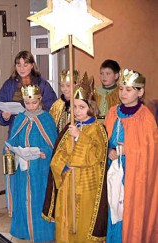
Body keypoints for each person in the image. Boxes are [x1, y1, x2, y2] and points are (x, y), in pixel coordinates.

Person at [50, 75, 108, 242]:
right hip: (68, 182)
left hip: (87, 184)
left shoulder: (98, 129)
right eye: (74, 107)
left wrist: (80, 137)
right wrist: (64, 166)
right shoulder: (71, 127)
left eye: (81, 107)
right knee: (67, 218)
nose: (77, 111)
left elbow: (96, 155)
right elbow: (59, 154)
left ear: (91, 107)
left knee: (84, 218)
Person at [104, 69, 158, 243]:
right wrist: (109, 151)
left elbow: (150, 150)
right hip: (114, 171)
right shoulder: (112, 112)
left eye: (129, 89)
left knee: (129, 209)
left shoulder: (145, 118)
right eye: (121, 89)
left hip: (134, 175)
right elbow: (105, 139)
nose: (123, 93)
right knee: (114, 209)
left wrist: (129, 150)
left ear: (140, 92)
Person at [4, 85, 57, 242]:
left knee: (39, 199)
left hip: (39, 169)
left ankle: (42, 233)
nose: (31, 106)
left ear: (40, 100)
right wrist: (9, 147)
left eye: (34, 102)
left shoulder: (46, 118)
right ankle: (23, 230)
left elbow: (53, 144)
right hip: (22, 168)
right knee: (22, 198)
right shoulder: (20, 117)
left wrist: (44, 152)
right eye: (27, 103)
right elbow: (13, 139)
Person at [0, 50, 57, 137]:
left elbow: (53, 107)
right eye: (18, 65)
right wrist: (4, 116)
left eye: (25, 65)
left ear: (32, 65)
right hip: (16, 130)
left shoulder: (42, 84)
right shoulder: (9, 84)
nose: (21, 69)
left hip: (38, 131)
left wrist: (36, 109)